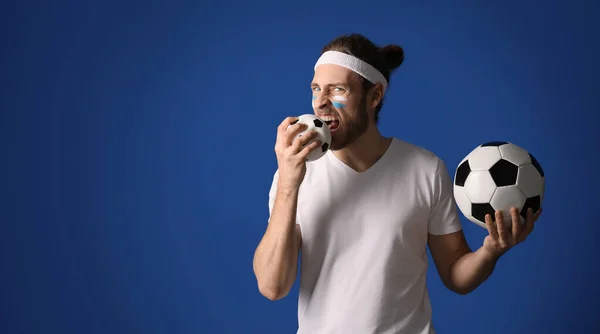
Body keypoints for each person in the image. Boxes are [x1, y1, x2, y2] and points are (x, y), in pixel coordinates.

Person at [252, 33, 542, 334]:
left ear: (374, 95)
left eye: (337, 89)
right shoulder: (294, 175)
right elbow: (273, 286)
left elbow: (457, 276)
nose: (321, 102)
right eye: (316, 89)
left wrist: (491, 251)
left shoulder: (425, 169)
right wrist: (288, 182)